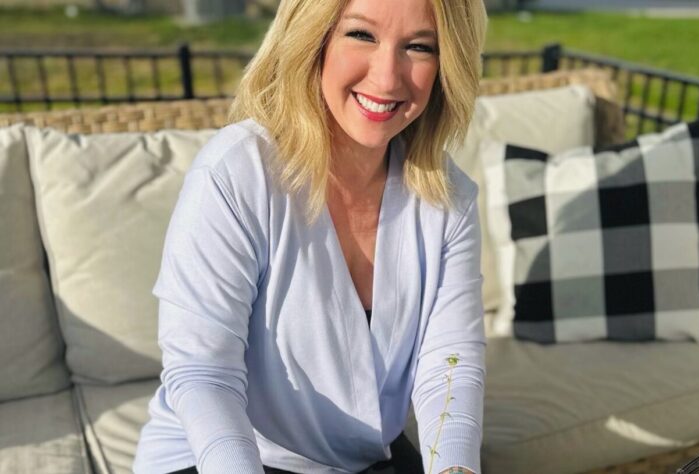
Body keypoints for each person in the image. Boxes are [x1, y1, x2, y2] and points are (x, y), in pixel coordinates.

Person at [133, 0, 487, 472]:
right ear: (312, 39)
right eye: (361, 35)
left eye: (419, 47)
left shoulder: (450, 198)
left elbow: (450, 365)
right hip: (218, 455)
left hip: (358, 459)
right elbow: (205, 373)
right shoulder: (236, 171)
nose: (387, 78)